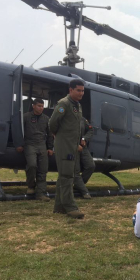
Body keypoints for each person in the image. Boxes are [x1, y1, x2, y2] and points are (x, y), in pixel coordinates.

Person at [49, 79, 85, 219]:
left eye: (82, 91)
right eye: (78, 90)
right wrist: (60, 137)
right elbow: (52, 123)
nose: (81, 93)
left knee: (64, 175)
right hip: (65, 145)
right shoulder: (64, 104)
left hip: (71, 144)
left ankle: (59, 207)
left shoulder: (77, 105)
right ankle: (70, 207)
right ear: (71, 90)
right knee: (67, 176)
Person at [16, 98, 54, 201]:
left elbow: (50, 134)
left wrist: (50, 148)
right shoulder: (26, 117)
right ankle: (31, 185)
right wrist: (20, 144)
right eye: (39, 106)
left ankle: (40, 194)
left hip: (42, 145)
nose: (41, 108)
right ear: (33, 106)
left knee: (43, 170)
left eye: (42, 106)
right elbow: (18, 130)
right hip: (29, 144)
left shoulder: (46, 119)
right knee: (32, 165)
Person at [73, 117, 95, 199]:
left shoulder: (82, 120)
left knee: (90, 165)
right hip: (71, 147)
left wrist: (84, 138)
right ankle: (84, 191)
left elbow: (91, 130)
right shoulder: (66, 118)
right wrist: (75, 144)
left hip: (82, 147)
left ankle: (78, 185)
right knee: (76, 171)